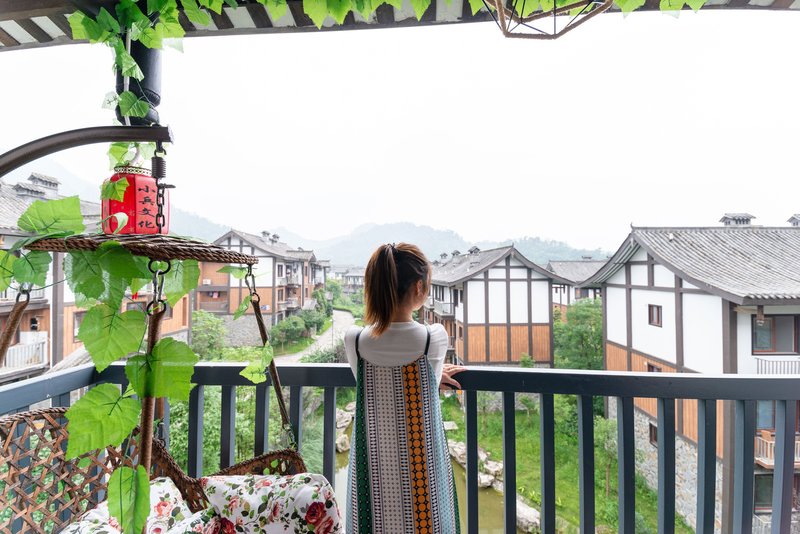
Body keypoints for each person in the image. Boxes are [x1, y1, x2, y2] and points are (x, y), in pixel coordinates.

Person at [344, 243, 465, 534]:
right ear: (419, 287)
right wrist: (436, 376)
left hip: (371, 468)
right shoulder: (433, 338)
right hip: (421, 470)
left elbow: (368, 381)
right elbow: (429, 379)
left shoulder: (355, 340)